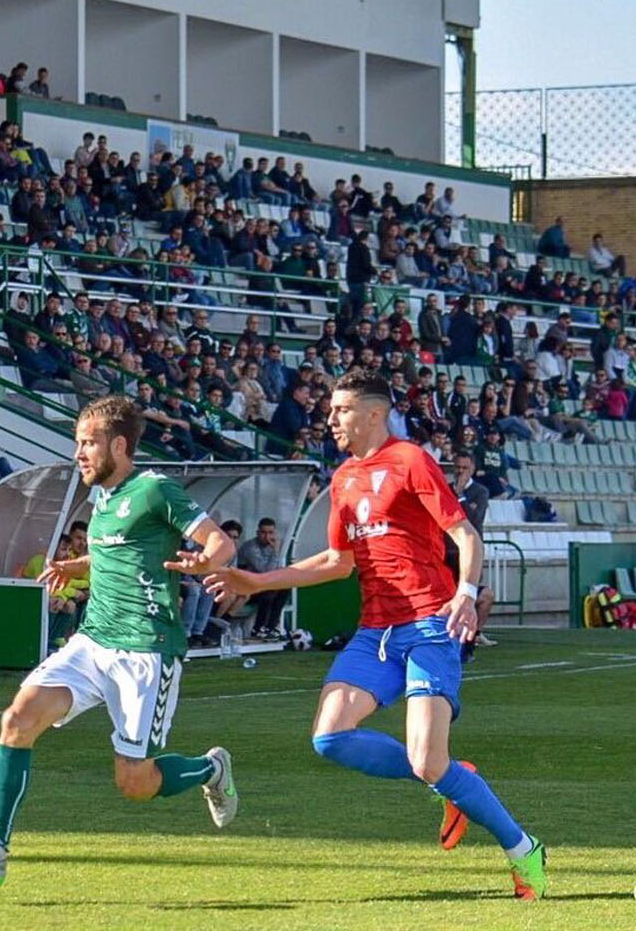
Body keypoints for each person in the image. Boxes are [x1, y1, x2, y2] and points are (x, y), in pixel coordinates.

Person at [205, 369, 547, 900]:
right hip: (375, 631)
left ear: (373, 413)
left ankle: (523, 848)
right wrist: (258, 580)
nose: (331, 418)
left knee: (427, 760)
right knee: (330, 737)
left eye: (341, 410)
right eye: (331, 410)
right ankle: (452, 782)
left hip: (430, 623)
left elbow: (465, 533)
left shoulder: (411, 461)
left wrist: (465, 592)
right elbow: (338, 562)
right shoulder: (343, 477)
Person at [0, 395, 240, 887]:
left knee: (134, 782)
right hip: (91, 642)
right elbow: (116, 553)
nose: (79, 453)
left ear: (119, 445)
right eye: (78, 442)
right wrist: (76, 566)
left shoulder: (155, 489)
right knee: (16, 719)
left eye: (88, 443)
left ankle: (210, 770)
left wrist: (206, 563)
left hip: (145, 649)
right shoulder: (102, 498)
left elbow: (220, 542)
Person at [449, 451, 497, 661]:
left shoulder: (480, 492)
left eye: (464, 468)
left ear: (472, 469)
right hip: (446, 554)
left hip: (468, 555)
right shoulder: (443, 489)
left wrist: (459, 495)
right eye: (457, 467)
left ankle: (470, 641)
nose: (460, 472)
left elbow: (474, 519)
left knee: (474, 597)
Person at [237, 517, 288, 641]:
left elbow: (279, 569)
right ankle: (259, 628)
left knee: (285, 587)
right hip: (245, 586)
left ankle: (269, 628)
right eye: (264, 532)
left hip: (261, 585)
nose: (267, 536)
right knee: (270, 590)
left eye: (270, 533)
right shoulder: (250, 548)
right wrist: (276, 552)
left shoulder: (273, 545)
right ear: (258, 533)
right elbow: (266, 571)